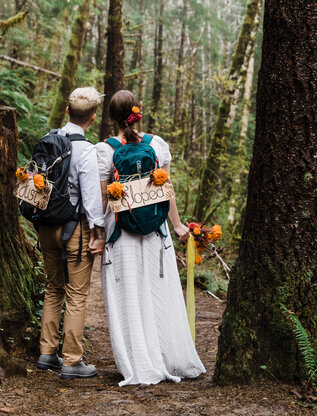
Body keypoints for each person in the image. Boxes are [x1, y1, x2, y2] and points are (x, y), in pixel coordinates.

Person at [95, 90, 206, 386]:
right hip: (157, 231)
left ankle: (138, 361)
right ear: (137, 112)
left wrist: (97, 231)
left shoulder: (104, 150)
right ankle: (167, 354)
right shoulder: (157, 145)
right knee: (159, 291)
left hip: (121, 233)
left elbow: (103, 201)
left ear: (112, 118)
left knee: (129, 293)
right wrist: (179, 225)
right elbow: (165, 190)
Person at [36, 87, 107, 379]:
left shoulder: (47, 140)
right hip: (75, 228)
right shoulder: (87, 151)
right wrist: (98, 232)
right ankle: (72, 360)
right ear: (92, 116)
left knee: (53, 289)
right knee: (76, 295)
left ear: (67, 111)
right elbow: (91, 199)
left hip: (45, 225)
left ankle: (46, 353)